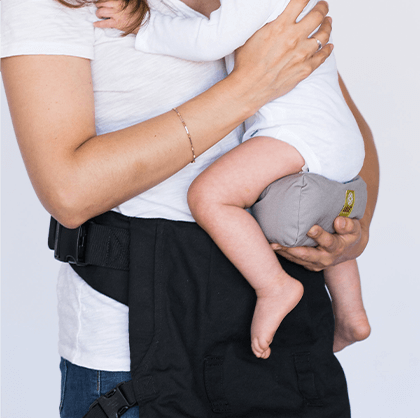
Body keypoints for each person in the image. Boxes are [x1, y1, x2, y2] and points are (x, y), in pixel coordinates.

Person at [0, 0, 379, 417]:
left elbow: (339, 132)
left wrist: (346, 238)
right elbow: (68, 192)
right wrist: (249, 87)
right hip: (140, 340)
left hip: (289, 329)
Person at [94, 0, 371, 358]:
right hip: (340, 142)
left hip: (298, 135)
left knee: (209, 195)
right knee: (328, 218)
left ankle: (273, 286)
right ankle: (352, 313)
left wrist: (143, 25)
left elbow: (207, 42)